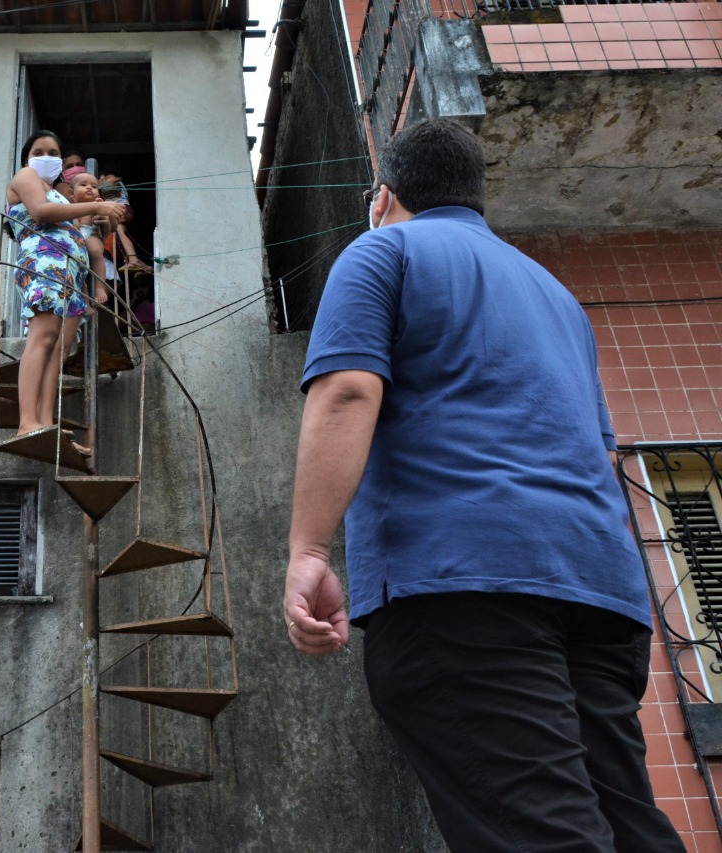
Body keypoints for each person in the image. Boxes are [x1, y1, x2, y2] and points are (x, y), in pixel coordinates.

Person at [283, 119, 684, 853]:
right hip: (600, 589)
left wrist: (308, 550)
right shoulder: (559, 297)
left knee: (543, 833)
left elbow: (346, 390)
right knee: (627, 824)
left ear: (383, 196)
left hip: (460, 584)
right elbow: (599, 452)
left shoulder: (383, 251)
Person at [5, 130, 124, 444]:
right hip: (45, 264)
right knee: (42, 338)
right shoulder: (26, 176)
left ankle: (45, 420)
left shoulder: (59, 194)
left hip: (71, 274)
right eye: (39, 152)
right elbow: (41, 213)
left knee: (59, 351)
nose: (47, 157)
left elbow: (80, 228)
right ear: (27, 158)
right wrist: (91, 209)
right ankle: (27, 421)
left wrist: (105, 218)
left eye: (53, 152)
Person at [60, 167, 112, 310]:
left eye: (94, 186)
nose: (89, 188)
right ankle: (86, 303)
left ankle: (100, 287)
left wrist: (105, 214)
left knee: (95, 251)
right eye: (83, 185)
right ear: (71, 193)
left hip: (91, 233)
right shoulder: (69, 207)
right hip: (76, 237)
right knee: (77, 266)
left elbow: (112, 224)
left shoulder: (98, 205)